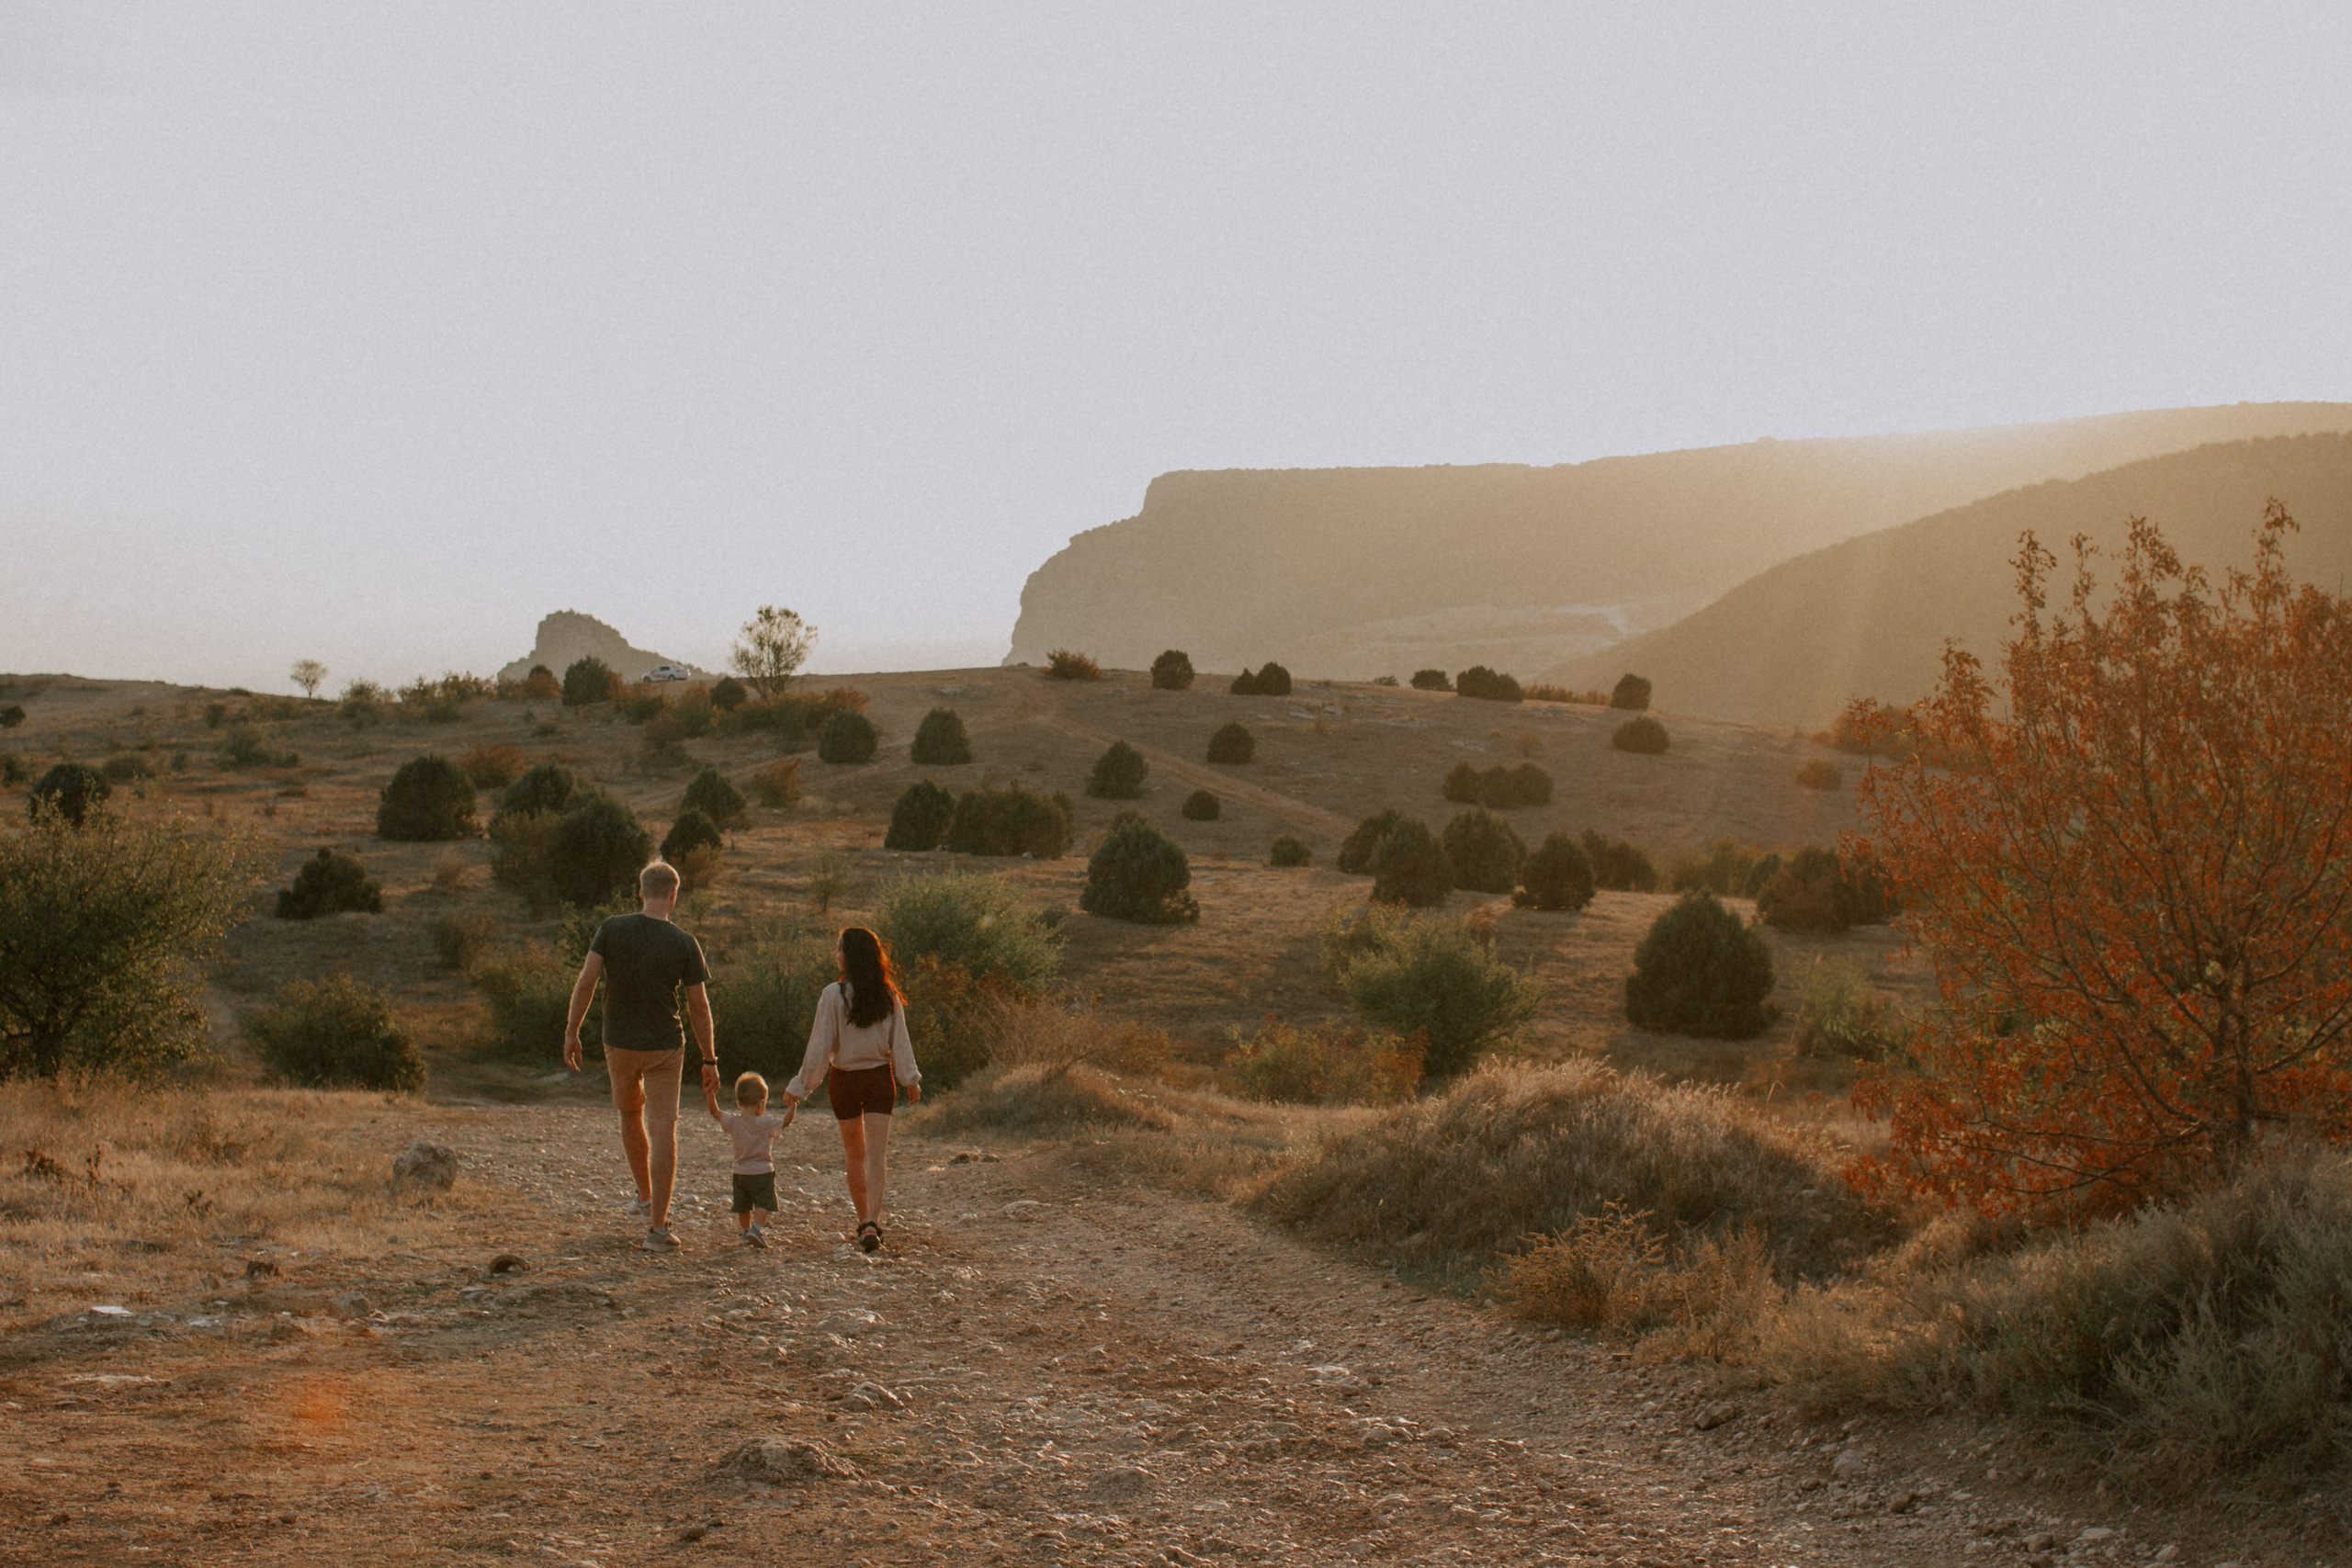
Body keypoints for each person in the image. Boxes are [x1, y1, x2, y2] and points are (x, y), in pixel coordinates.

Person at [563, 860, 718, 1252]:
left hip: (618, 1043)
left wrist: (571, 1031)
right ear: (673, 895)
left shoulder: (611, 929)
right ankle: (658, 1229)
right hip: (666, 1045)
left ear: (640, 891)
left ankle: (646, 1198)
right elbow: (699, 1007)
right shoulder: (685, 941)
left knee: (631, 1115)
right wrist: (710, 1058)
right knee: (664, 1127)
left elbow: (586, 983)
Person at [779, 926, 921, 1253]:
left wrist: (799, 1086)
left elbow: (820, 1046)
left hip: (844, 1081)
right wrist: (910, 1079)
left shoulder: (834, 994)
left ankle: (863, 1223)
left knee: (855, 1156)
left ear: (851, 954)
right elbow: (900, 1044)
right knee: (876, 1156)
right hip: (878, 1080)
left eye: (839, 949)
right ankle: (872, 1221)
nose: (836, 954)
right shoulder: (889, 994)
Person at [705, 1070, 791, 1247]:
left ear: (738, 1103)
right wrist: (793, 1106)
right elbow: (786, 1122)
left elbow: (714, 1112)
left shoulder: (733, 1122)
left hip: (740, 1173)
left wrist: (710, 1094)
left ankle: (745, 1231)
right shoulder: (766, 1123)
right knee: (763, 1203)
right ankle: (756, 1229)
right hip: (763, 1172)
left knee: (742, 1206)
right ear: (761, 1104)